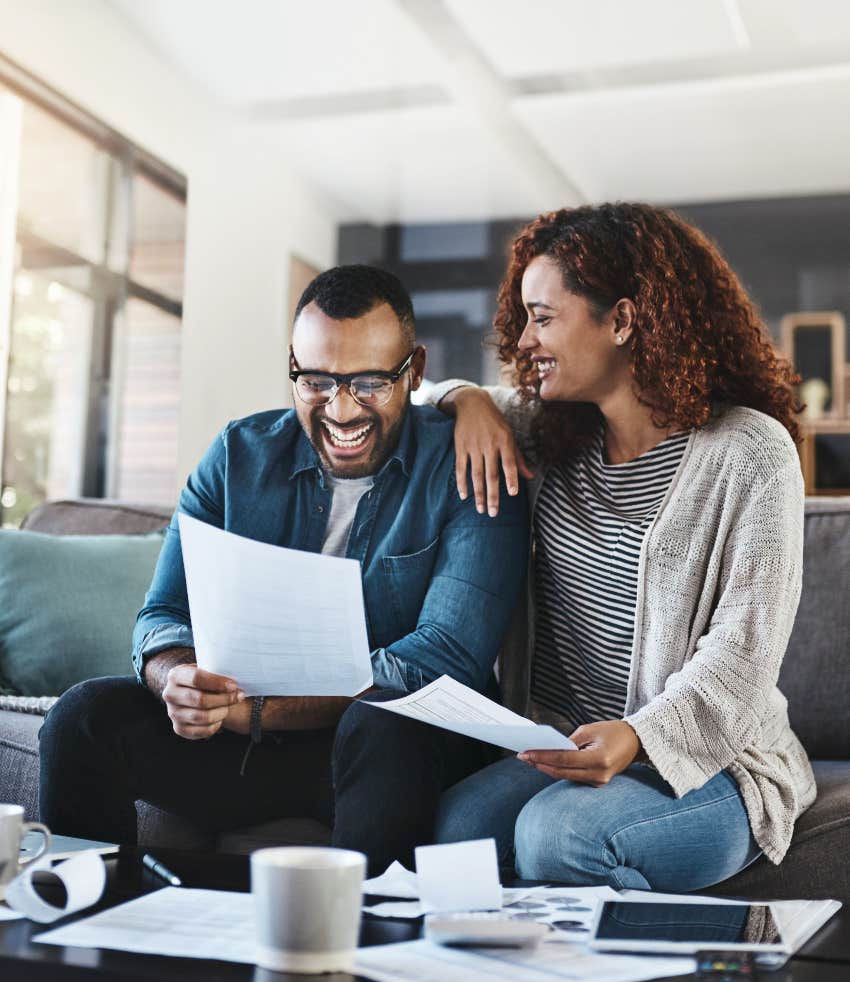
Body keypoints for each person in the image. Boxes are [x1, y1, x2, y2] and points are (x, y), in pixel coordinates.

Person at [39, 264, 527, 874]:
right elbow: (162, 614)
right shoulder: (237, 456)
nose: (342, 410)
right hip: (240, 746)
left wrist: (261, 710)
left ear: (416, 372)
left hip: (383, 754)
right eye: (316, 380)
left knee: (387, 724)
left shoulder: (469, 468)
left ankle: (360, 948)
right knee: (83, 717)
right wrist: (178, 680)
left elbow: (440, 660)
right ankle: (84, 923)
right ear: (293, 367)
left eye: (370, 381)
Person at [428, 203, 816, 891]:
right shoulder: (545, 433)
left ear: (623, 320)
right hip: (561, 750)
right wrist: (467, 400)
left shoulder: (751, 453)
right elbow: (415, 393)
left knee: (556, 836)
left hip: (716, 764)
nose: (522, 341)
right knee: (458, 829)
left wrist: (638, 737)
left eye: (542, 317)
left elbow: (743, 654)